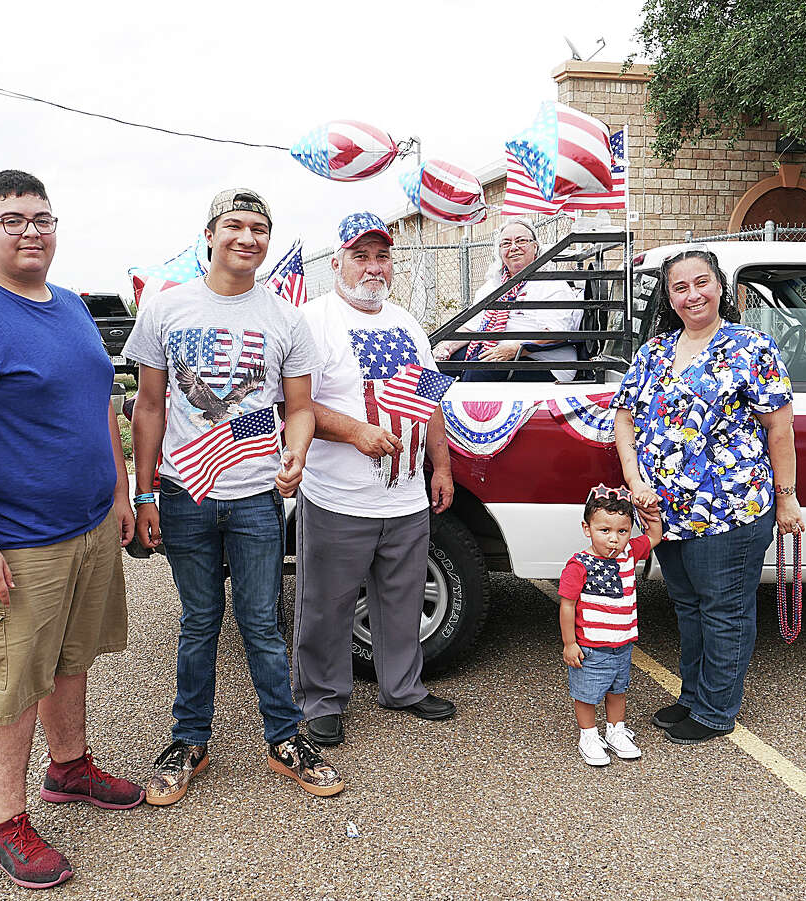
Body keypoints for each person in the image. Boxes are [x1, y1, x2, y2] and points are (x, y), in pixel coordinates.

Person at [0, 170, 143, 890]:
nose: (30, 231)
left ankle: (70, 768)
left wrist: (120, 492)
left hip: (86, 528)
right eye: (12, 219)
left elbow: (101, 407)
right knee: (10, 682)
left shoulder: (73, 307)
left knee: (70, 659)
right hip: (16, 541)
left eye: (41, 218)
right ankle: (4, 823)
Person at [124, 188, 343, 804]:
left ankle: (285, 738)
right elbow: (149, 406)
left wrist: (296, 451)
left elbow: (296, 409)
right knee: (199, 622)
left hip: (254, 496)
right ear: (210, 235)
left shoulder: (284, 317)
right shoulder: (166, 308)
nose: (247, 239)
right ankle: (189, 739)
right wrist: (144, 495)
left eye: (260, 229)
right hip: (184, 492)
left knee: (261, 624)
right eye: (235, 227)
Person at [610, 246, 804, 745]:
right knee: (689, 608)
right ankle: (693, 695)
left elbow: (779, 430)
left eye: (702, 283)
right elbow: (625, 415)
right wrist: (634, 481)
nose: (692, 294)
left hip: (731, 513)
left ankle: (716, 710)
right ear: (669, 295)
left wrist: (787, 498)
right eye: (680, 287)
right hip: (664, 514)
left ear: (720, 286)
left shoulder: (751, 348)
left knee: (724, 609)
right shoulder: (654, 352)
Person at [292, 212, 456, 747]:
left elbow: (428, 396)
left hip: (405, 495)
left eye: (381, 256)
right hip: (339, 498)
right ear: (336, 262)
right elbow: (296, 404)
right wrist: (355, 433)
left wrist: (442, 465)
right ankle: (322, 700)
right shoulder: (312, 321)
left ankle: (402, 687)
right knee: (326, 604)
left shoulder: (406, 323)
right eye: (360, 256)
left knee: (402, 600)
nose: (372, 267)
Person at [558, 486, 662, 766]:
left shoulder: (629, 554)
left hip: (622, 644)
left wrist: (650, 512)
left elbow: (654, 535)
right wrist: (570, 643)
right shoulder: (578, 565)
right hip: (591, 646)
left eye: (622, 531)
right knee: (587, 693)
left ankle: (615, 731)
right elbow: (567, 605)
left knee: (618, 690)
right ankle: (588, 735)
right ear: (587, 528)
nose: (614, 539)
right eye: (605, 530)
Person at [432, 218, 582, 382]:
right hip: (497, 349)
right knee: (441, 366)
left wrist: (514, 348)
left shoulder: (551, 284)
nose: (514, 247)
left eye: (521, 241)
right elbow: (473, 327)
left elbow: (556, 333)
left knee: (478, 370)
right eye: (506, 243)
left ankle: (466, 407)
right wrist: (447, 347)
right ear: (499, 251)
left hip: (545, 361)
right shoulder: (493, 285)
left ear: (535, 246)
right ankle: (440, 408)